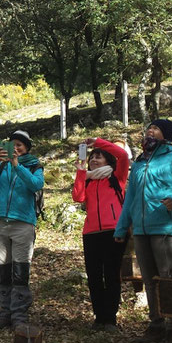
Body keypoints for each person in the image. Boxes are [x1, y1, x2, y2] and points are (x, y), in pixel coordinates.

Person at [114, 119, 172, 343]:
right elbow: (130, 199)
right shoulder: (140, 163)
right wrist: (122, 228)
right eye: (149, 128)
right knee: (150, 280)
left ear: (167, 135)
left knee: (168, 279)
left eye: (156, 129)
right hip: (141, 231)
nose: (150, 131)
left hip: (167, 229)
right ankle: (156, 325)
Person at [0, 129, 44, 329]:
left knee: (20, 271)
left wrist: (17, 166)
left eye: (19, 145)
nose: (15, 148)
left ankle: (19, 317)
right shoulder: (1, 166)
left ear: (26, 148)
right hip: (0, 224)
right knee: (4, 270)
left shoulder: (34, 165)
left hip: (23, 224)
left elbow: (36, 184)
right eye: (12, 144)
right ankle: (5, 314)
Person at [72, 138, 130, 330]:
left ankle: (111, 318)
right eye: (92, 157)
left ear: (108, 161)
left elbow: (122, 155)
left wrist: (97, 142)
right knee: (94, 276)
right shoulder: (87, 179)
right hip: (91, 233)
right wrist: (81, 172)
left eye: (99, 157)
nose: (94, 160)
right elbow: (78, 197)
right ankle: (99, 317)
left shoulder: (117, 177)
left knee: (111, 274)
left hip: (114, 231)